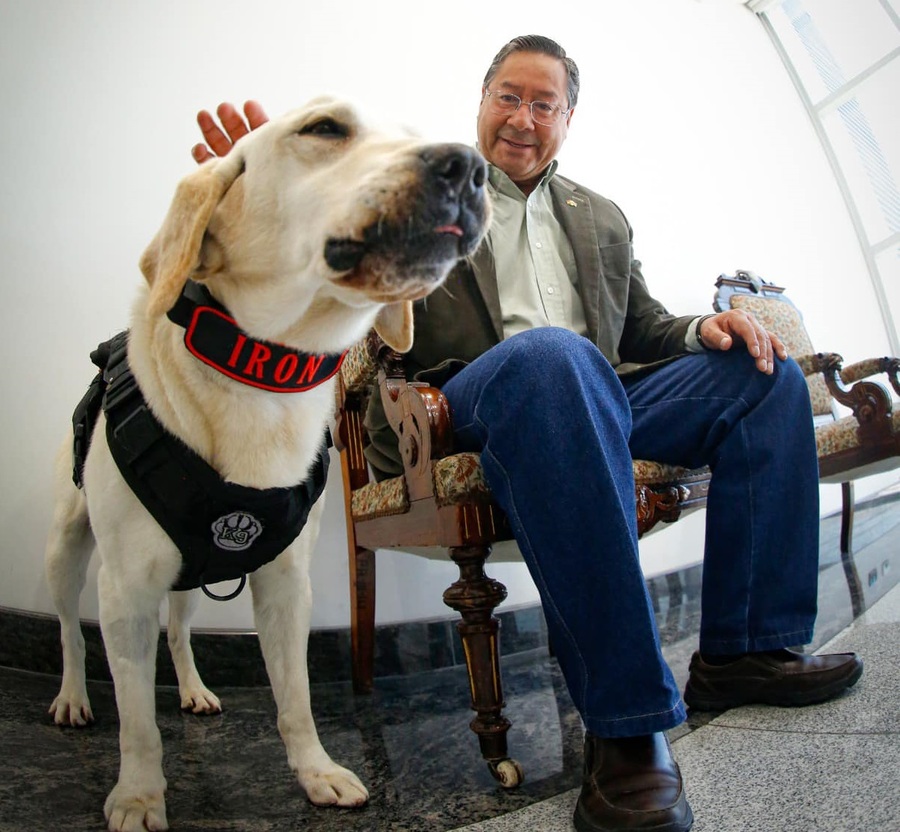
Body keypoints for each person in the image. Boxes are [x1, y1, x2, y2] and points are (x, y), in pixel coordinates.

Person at [193, 35, 863, 832]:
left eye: (544, 103)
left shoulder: (601, 216)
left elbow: (642, 326)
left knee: (767, 374)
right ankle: (626, 728)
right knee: (553, 358)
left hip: (602, 392)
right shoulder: (427, 190)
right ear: (481, 102)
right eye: (508, 95)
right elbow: (336, 246)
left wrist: (704, 329)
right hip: (474, 405)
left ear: (567, 119)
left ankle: (744, 651)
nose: (523, 116)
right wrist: (268, 188)